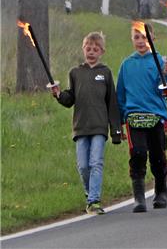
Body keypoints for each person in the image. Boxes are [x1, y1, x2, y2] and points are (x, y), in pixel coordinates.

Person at [50, 32, 122, 215]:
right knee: (83, 165)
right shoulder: (75, 73)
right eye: (88, 48)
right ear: (83, 49)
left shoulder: (105, 73)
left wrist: (116, 130)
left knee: (96, 162)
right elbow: (70, 99)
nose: (91, 52)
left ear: (102, 51)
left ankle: (94, 200)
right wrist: (59, 94)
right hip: (81, 127)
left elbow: (112, 103)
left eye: (95, 49)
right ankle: (89, 193)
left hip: (99, 127)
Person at [117, 21, 167, 212]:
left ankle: (161, 191)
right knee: (138, 153)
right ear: (132, 39)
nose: (141, 41)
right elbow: (121, 94)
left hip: (155, 115)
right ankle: (139, 196)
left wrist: (165, 75)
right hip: (134, 117)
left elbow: (165, 91)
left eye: (144, 37)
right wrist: (121, 120)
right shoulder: (126, 65)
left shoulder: (159, 62)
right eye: (137, 37)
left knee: (158, 155)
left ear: (152, 39)